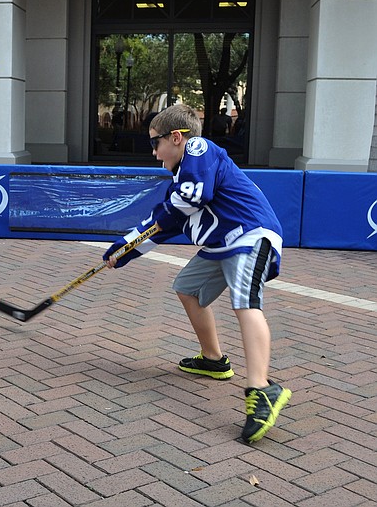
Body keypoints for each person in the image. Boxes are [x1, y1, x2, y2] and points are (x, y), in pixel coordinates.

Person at [102, 104, 291, 444]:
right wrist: (125, 249)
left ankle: (262, 388)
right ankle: (213, 359)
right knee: (186, 286)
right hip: (222, 245)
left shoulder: (198, 149)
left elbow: (189, 200)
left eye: (156, 143)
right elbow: (162, 224)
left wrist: (150, 226)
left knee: (245, 301)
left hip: (251, 235)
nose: (156, 153)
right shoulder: (180, 179)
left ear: (176, 137)